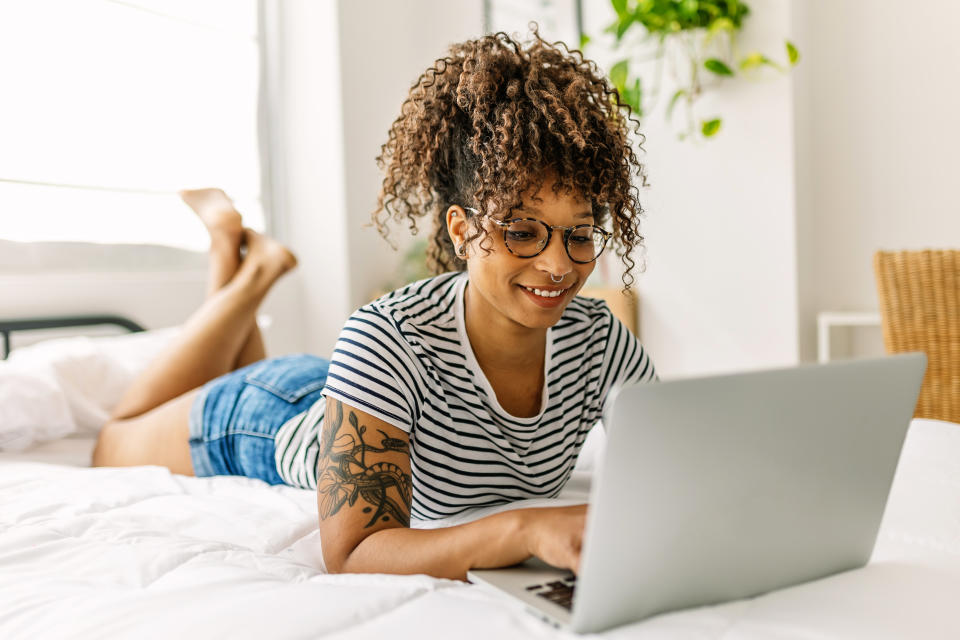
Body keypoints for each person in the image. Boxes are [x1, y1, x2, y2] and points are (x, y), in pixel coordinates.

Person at [93, 29, 656, 581]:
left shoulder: (601, 343)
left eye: (579, 235)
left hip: (355, 397)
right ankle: (249, 266)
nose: (559, 266)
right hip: (267, 419)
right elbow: (352, 552)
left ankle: (238, 253)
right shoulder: (388, 335)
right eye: (523, 232)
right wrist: (525, 529)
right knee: (112, 440)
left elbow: (676, 473)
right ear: (460, 231)